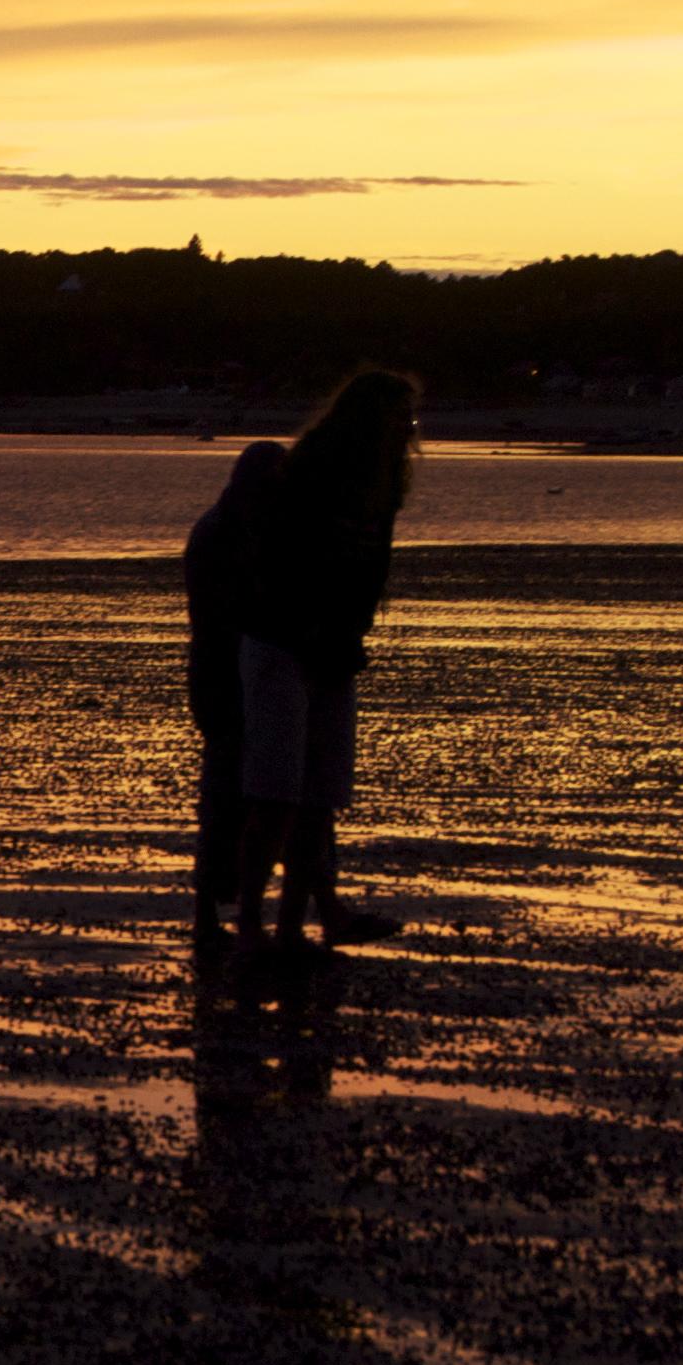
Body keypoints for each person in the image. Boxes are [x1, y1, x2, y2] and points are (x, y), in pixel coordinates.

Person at [232, 367, 417, 955]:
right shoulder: (310, 475)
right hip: (283, 643)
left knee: (318, 795)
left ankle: (294, 925)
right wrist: (314, 630)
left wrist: (348, 635)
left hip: (334, 649)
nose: (408, 435)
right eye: (399, 422)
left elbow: (367, 574)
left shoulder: (383, 485)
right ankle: (252, 926)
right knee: (276, 793)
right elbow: (280, 565)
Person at [178, 441, 286, 942]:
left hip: (220, 675)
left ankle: (225, 903)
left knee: (235, 795)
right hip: (225, 678)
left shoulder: (226, 526)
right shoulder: (228, 533)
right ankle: (216, 905)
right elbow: (234, 612)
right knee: (229, 794)